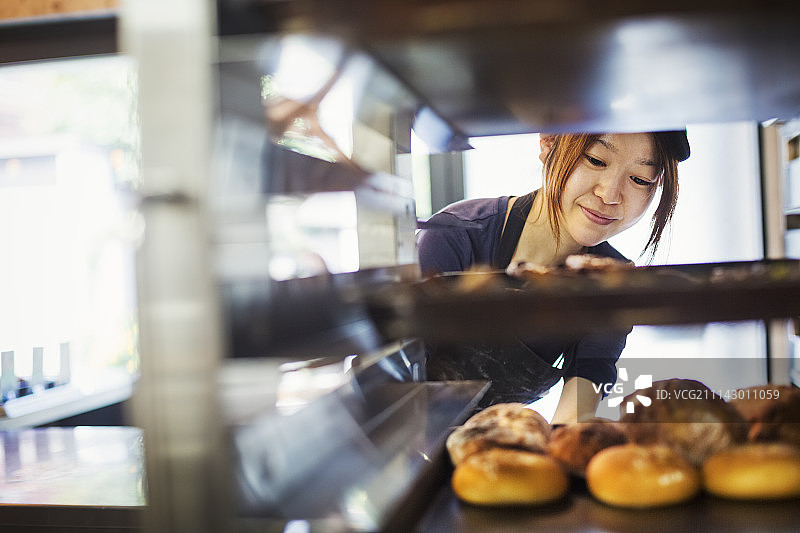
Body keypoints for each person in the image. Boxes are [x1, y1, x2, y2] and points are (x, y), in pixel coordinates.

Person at [416, 131, 690, 423]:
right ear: (548, 144)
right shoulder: (457, 235)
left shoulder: (608, 280)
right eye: (596, 160)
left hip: (495, 447)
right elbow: (396, 376)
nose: (609, 195)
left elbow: (584, 388)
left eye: (639, 179)